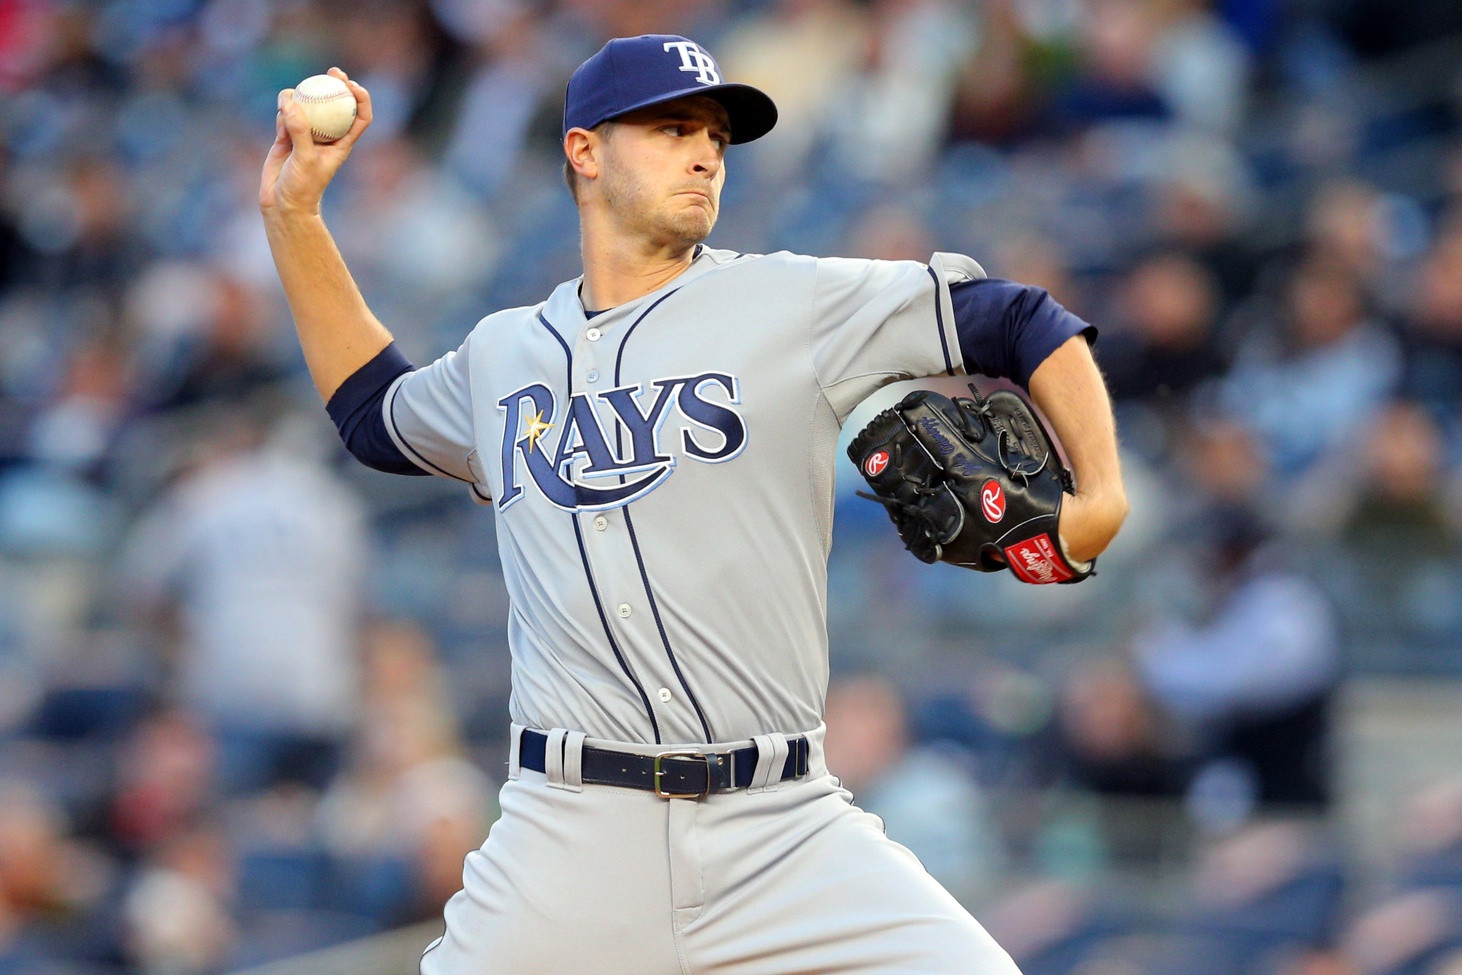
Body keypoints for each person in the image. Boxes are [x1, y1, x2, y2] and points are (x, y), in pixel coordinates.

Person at [260, 35, 1127, 975]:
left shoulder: (789, 301)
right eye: (672, 128)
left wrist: (1102, 491)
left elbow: (1015, 317)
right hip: (570, 833)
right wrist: (295, 214)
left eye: (715, 134)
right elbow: (374, 417)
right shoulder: (503, 352)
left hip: (784, 829)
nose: (706, 152)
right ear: (584, 152)